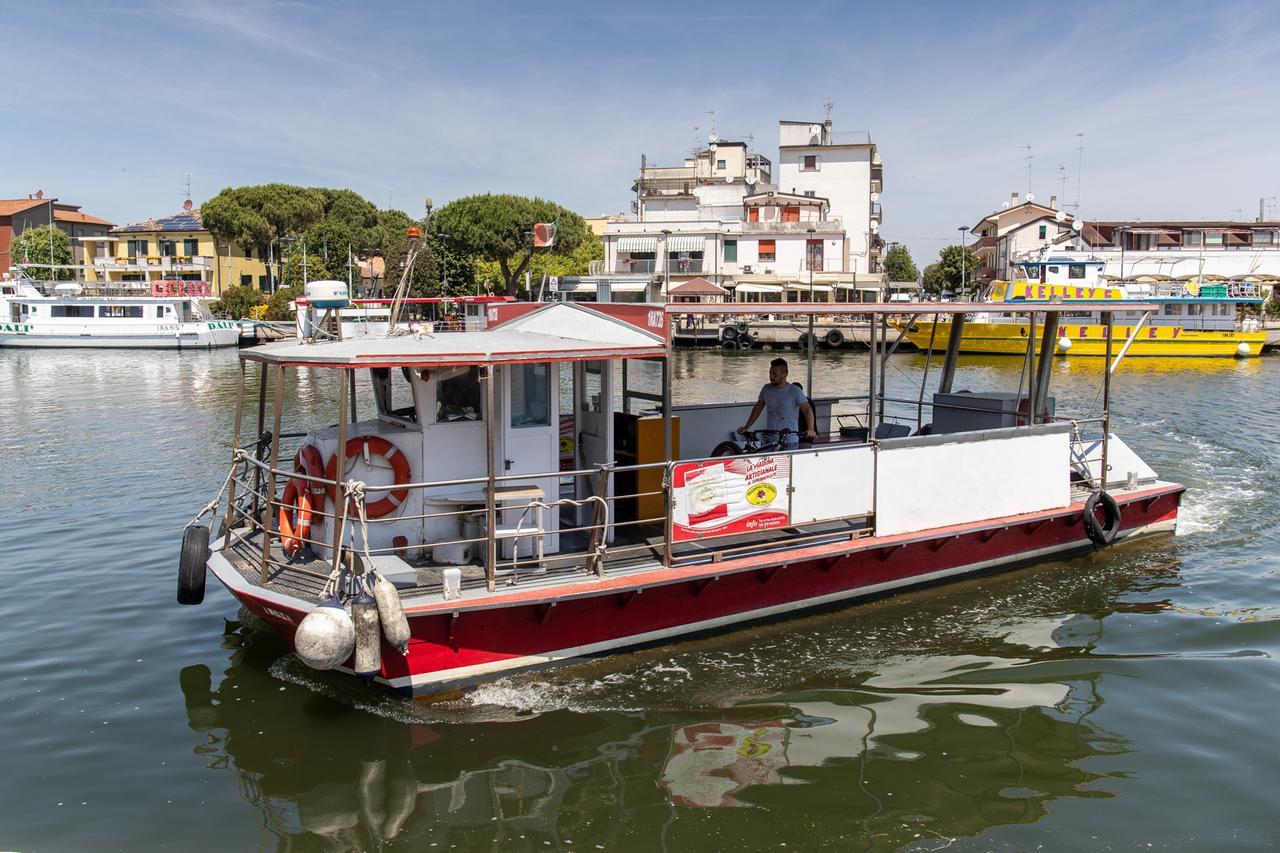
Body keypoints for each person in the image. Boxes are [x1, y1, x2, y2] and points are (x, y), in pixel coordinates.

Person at [740, 357, 816, 448]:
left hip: (790, 440)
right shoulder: (766, 389)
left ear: (784, 374)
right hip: (770, 439)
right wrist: (746, 426)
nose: (771, 376)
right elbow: (758, 408)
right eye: (770, 373)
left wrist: (811, 429)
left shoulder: (795, 391)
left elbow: (807, 409)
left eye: (775, 374)